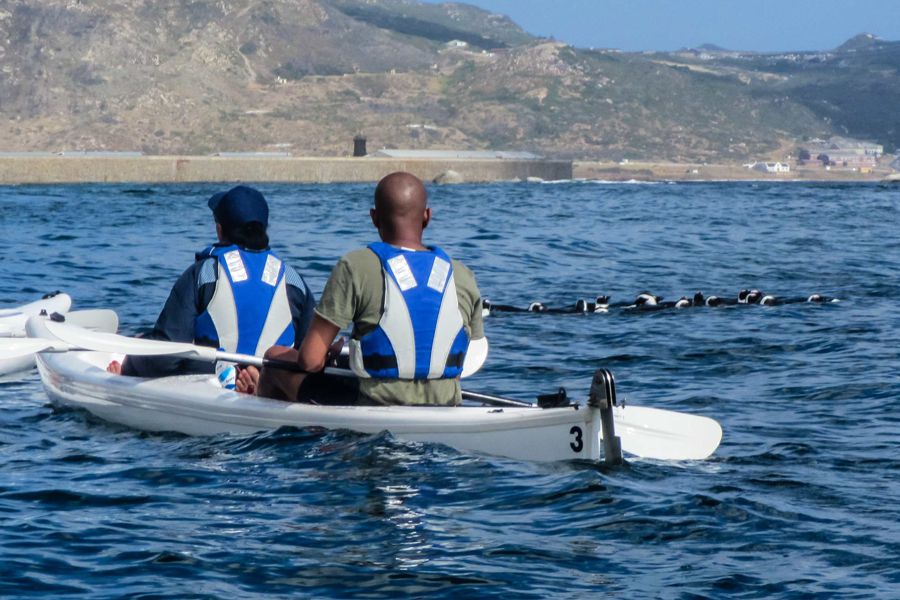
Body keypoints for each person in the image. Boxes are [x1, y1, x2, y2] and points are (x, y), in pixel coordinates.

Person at [256, 171, 485, 406]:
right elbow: (464, 364)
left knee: (274, 357)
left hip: (373, 406)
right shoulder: (463, 275)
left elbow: (310, 361)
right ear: (427, 217)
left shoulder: (354, 266)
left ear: (374, 218)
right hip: (445, 405)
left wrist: (328, 355)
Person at [108, 185, 316, 383]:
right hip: (273, 384)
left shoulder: (204, 273)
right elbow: (310, 352)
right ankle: (255, 382)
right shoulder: (293, 280)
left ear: (219, 229)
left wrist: (128, 368)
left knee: (147, 341)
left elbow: (167, 353)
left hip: (210, 382)